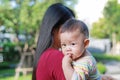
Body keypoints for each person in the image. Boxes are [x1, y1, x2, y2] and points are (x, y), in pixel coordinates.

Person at [32, 3, 75, 80]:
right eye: (69, 28)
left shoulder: (45, 56)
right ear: (53, 29)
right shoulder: (56, 57)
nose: (73, 33)